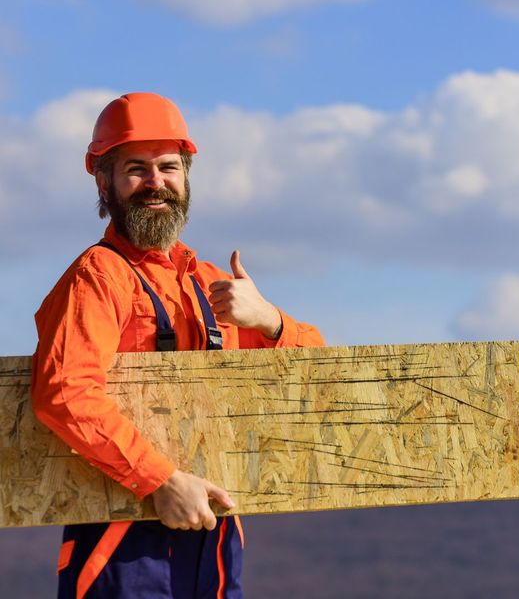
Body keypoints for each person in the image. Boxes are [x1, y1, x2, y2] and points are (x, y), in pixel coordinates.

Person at [30, 92, 325, 598]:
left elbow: (323, 379)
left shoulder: (211, 285)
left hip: (214, 532)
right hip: (119, 532)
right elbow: (65, 392)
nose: (155, 183)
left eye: (168, 167)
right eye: (135, 169)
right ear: (104, 181)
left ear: (186, 177)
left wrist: (270, 321)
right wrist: (161, 481)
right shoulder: (97, 277)